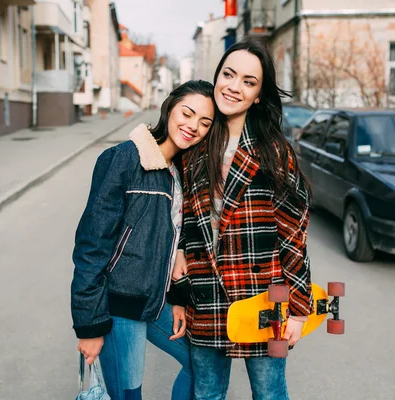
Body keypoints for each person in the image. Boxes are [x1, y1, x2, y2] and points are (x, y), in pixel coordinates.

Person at [170, 36, 314, 400]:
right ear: (217, 76)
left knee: (270, 393)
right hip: (206, 295)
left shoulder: (273, 149)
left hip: (266, 299)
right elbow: (180, 213)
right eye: (228, 74)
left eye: (248, 82)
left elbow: (294, 233)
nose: (234, 87)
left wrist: (297, 309)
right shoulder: (195, 143)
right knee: (207, 394)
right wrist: (178, 252)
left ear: (259, 95)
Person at [71, 80, 222, 400]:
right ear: (170, 108)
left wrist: (178, 299)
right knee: (129, 395)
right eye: (188, 113)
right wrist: (90, 325)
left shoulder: (182, 170)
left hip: (156, 301)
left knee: (204, 365)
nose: (193, 126)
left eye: (204, 122)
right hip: (120, 304)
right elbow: (92, 244)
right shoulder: (125, 158)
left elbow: (174, 240)